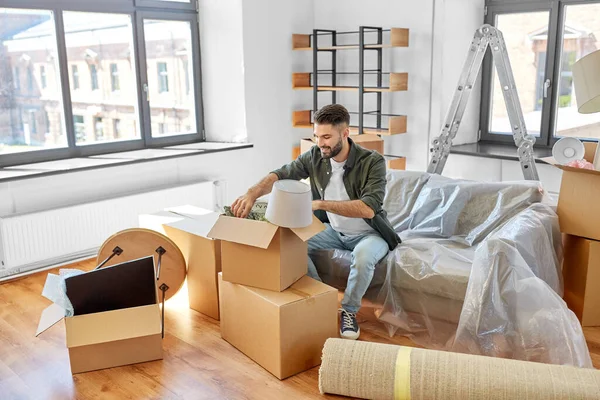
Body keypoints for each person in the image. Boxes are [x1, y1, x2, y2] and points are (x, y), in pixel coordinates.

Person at [230, 104, 400, 340]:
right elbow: (281, 173)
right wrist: (251, 193)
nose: (321, 143)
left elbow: (369, 209)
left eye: (327, 137)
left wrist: (321, 204)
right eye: (317, 136)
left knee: (362, 259)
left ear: (345, 134)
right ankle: (323, 299)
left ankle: (348, 312)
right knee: (291, 242)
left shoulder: (372, 161)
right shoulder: (316, 155)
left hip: (369, 234)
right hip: (333, 231)